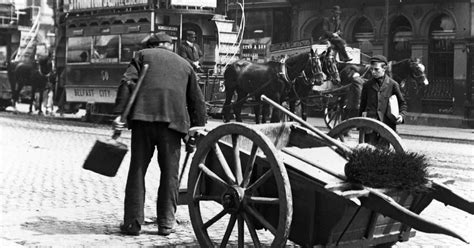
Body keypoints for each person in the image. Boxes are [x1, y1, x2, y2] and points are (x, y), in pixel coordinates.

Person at [112, 32, 206, 236]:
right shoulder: (184, 64)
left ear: (153, 45)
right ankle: (165, 224)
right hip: (173, 125)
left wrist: (119, 114)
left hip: (142, 120)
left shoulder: (142, 55)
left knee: (137, 171)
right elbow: (197, 100)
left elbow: (127, 83)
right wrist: (197, 128)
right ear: (169, 46)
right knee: (170, 175)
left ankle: (132, 224)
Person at [359, 55, 407, 146]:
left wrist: (401, 115)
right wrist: (361, 124)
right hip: (370, 126)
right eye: (371, 69)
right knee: (369, 151)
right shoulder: (367, 85)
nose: (373, 72)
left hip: (387, 125)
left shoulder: (393, 84)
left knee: (383, 153)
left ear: (384, 69)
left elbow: (402, 103)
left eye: (376, 69)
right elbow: (362, 106)